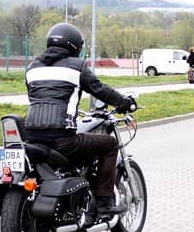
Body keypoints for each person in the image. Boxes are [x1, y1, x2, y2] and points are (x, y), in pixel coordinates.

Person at [24, 23, 136, 217]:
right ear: (75, 46)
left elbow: (36, 96)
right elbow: (100, 90)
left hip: (32, 137)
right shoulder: (77, 67)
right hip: (62, 139)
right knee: (110, 144)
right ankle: (103, 203)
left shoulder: (32, 67)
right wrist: (123, 102)